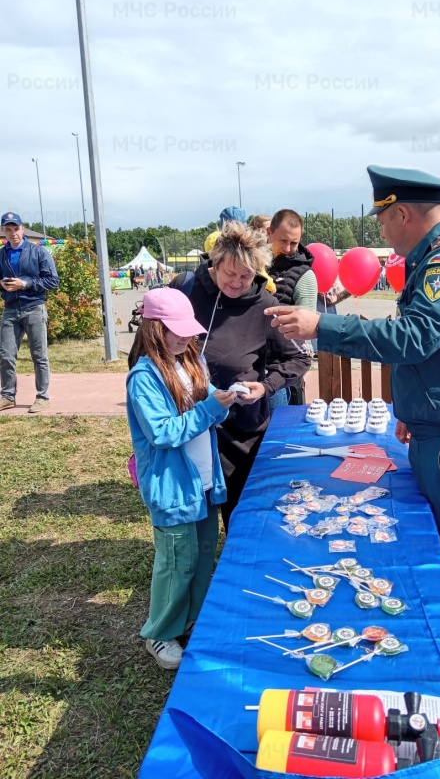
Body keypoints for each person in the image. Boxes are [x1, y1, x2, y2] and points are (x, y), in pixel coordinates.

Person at [266, 165, 440, 700]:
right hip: (439, 432)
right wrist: (412, 406)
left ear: (401, 213)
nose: (379, 231)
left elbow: (416, 337)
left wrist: (320, 326)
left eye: (381, 218)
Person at [169, 221, 310, 532]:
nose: (236, 282)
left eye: (246, 276)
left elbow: (299, 357)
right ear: (215, 263)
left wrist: (266, 386)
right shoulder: (186, 292)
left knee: (241, 518)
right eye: (229, 273)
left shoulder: (266, 306)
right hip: (190, 427)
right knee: (195, 522)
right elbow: (151, 345)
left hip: (240, 433)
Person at [126, 288, 237, 670]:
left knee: (203, 554)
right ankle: (160, 634)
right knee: (177, 562)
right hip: (172, 486)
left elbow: (207, 416)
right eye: (177, 331)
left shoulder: (193, 359)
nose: (186, 337)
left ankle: (192, 620)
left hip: (204, 481)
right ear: (154, 328)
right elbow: (162, 433)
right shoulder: (144, 377)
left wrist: (223, 403)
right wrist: (210, 409)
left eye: (189, 330)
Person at [0, 211, 59, 413]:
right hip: (10, 310)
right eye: (8, 229)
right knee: (6, 355)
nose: (13, 233)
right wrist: (3, 285)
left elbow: (52, 281)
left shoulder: (39, 252)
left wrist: (24, 284)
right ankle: (7, 396)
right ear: (2, 231)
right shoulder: (1, 255)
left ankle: (43, 396)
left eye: (16, 228)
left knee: (39, 355)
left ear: (22, 229)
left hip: (34, 307)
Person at [266, 209, 317, 409]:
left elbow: (305, 327)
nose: (288, 248)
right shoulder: (252, 264)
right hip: (247, 361)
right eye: (283, 241)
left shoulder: (305, 275)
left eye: (294, 243)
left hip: (279, 368)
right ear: (269, 233)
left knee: (275, 433)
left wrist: (269, 305)